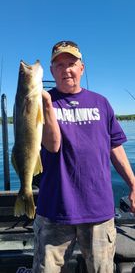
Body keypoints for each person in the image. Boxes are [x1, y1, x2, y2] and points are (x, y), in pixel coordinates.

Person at [32, 40, 135, 273]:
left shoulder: (101, 103)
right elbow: (52, 145)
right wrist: (46, 106)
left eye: (71, 63)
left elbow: (115, 147)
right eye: (59, 65)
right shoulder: (39, 103)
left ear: (82, 68)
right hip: (54, 209)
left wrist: (133, 183)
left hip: (98, 209)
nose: (66, 69)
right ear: (51, 71)